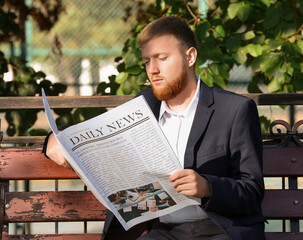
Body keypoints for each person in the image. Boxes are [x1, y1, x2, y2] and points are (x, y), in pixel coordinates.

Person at [43, 16, 266, 240]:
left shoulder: (234, 110)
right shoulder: (145, 103)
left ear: (190, 57)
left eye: (162, 58)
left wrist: (208, 187)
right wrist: (55, 138)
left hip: (220, 230)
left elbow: (252, 192)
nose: (153, 69)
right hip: (165, 233)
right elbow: (98, 133)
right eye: (147, 61)